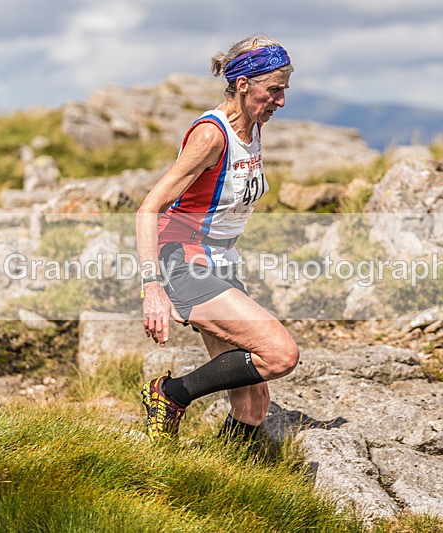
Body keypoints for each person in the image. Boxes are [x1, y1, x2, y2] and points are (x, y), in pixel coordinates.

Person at [136, 35, 299, 442]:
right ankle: (171, 394)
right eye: (274, 90)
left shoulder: (254, 125)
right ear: (243, 84)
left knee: (253, 406)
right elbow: (148, 209)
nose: (281, 101)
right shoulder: (212, 135)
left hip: (221, 261)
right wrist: (152, 288)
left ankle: (228, 477)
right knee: (280, 354)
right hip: (182, 260)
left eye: (285, 90)